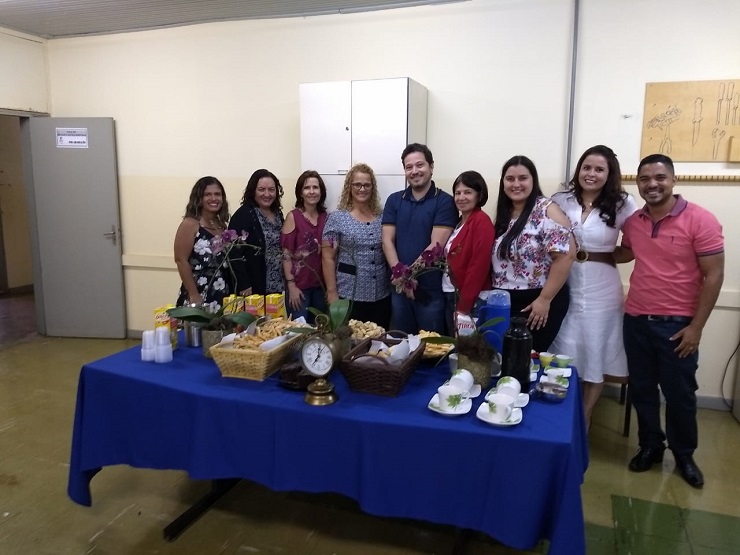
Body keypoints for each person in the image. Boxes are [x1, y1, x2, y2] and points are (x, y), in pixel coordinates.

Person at [618, 154, 724, 489]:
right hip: (635, 320)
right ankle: (650, 445)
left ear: (674, 180)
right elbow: (626, 253)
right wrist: (582, 250)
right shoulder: (633, 222)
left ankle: (683, 455)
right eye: (645, 178)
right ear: (638, 183)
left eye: (660, 177)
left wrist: (696, 328)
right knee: (643, 390)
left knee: (680, 394)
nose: (652, 184)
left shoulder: (700, 220)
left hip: (677, 325)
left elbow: (714, 276)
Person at [550, 145, 639, 428]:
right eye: (586, 167)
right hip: (565, 281)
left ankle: (585, 418)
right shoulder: (560, 200)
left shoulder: (624, 203)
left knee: (595, 350)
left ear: (609, 173)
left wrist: (605, 254)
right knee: (564, 346)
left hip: (603, 286)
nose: (591, 174)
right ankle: (562, 412)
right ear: (578, 170)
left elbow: (633, 246)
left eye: (599, 169)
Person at [491, 155, 575, 353]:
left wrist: (544, 300)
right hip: (506, 301)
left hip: (537, 301)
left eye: (523, 178)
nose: (516, 184)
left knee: (527, 360)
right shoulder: (506, 214)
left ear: (533, 181)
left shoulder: (547, 210)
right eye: (510, 179)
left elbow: (566, 256)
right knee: (506, 360)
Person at [382, 143, 458, 334]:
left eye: (420, 165)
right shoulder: (394, 200)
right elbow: (387, 240)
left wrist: (409, 276)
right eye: (409, 167)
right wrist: (401, 276)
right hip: (399, 289)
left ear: (431, 167)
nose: (415, 171)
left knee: (430, 349)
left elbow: (436, 246)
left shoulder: (445, 202)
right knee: (401, 346)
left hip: (430, 291)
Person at [322, 164, 391, 328]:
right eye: (357, 184)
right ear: (349, 187)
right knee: (352, 345)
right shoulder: (337, 218)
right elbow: (327, 257)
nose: (362, 189)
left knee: (378, 345)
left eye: (367, 185)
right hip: (349, 294)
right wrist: (332, 292)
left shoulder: (382, 217)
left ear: (372, 188)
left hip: (381, 295)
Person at [442, 170, 495, 335]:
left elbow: (479, 266)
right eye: (457, 193)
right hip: (452, 294)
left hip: (470, 299)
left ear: (479, 195)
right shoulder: (459, 222)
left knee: (467, 352)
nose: (461, 197)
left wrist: (463, 307)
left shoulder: (481, 221)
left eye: (467, 192)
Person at [174, 176, 232, 308]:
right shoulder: (190, 224)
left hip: (223, 292)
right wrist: (194, 294)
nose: (213, 198)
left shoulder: (221, 225)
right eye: (207, 194)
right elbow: (180, 260)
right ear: (199, 198)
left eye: (217, 194)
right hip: (199, 292)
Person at [281, 170, 329, 322]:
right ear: (300, 193)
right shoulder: (293, 216)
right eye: (307, 188)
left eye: (316, 187)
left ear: (321, 192)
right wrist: (291, 285)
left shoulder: (326, 217)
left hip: (321, 286)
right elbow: (286, 254)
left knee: (320, 332)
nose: (312, 192)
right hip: (299, 288)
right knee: (299, 334)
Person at [229, 169, 285, 295]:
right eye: (261, 189)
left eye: (271, 189)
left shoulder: (278, 214)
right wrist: (244, 284)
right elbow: (233, 253)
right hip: (254, 287)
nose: (267, 194)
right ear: (253, 190)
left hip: (278, 284)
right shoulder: (243, 215)